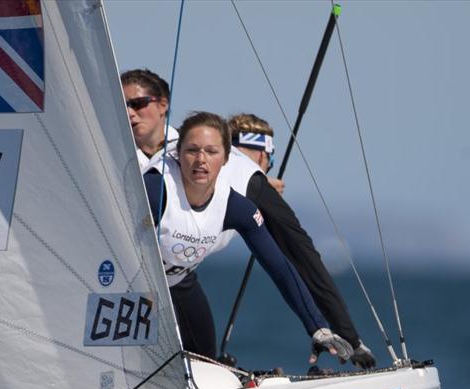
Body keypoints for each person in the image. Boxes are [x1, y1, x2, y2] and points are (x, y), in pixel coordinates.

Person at [120, 69, 371, 367]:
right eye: (193, 152)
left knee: (205, 365)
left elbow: (290, 259)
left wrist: (327, 329)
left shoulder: (239, 192)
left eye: (137, 103)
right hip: (124, 280)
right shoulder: (151, 180)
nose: (201, 160)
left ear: (226, 158)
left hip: (178, 280)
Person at [227, 113, 376, 369]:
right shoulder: (250, 178)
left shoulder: (196, 153)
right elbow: (305, 260)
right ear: (264, 156)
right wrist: (350, 337)